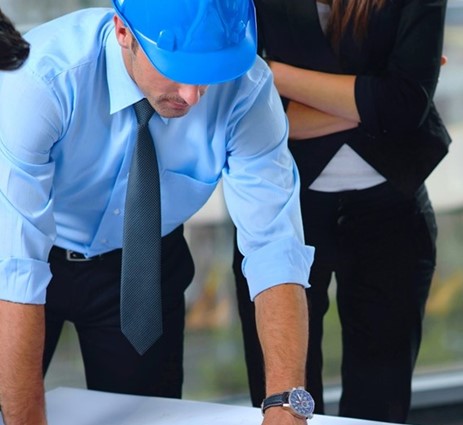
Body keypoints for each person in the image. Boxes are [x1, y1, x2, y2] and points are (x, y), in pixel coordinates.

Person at [0, 0, 316, 424]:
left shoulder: (246, 89)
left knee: (144, 417)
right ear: (123, 32)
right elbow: (15, 268)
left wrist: (285, 403)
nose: (192, 96)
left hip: (143, 266)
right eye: (178, 69)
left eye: (207, 75)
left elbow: (274, 246)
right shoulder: (43, 80)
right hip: (24, 250)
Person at [233, 0, 451, 423]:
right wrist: (375, 99)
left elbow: (406, 106)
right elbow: (245, 111)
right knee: (281, 398)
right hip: (283, 213)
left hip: (392, 213)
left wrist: (275, 74)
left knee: (380, 407)